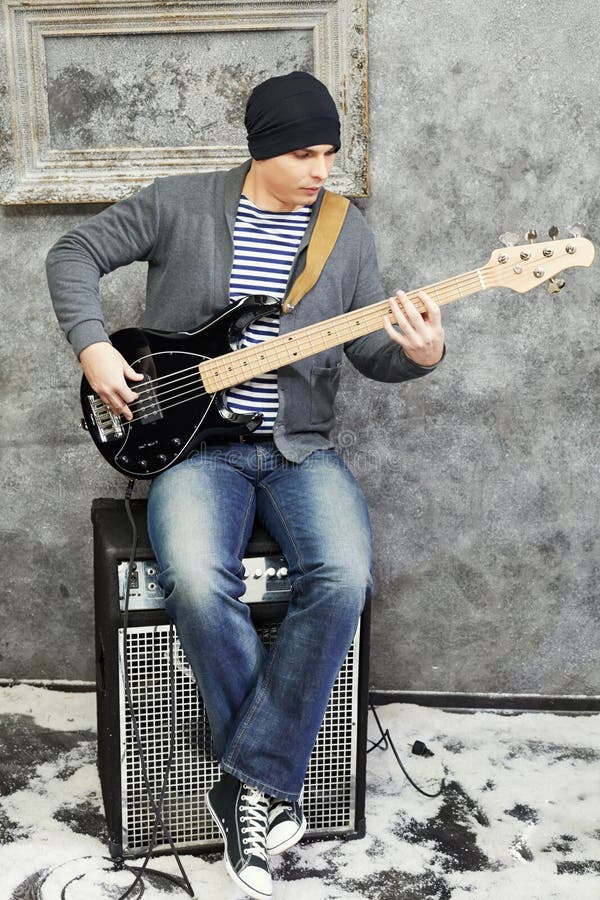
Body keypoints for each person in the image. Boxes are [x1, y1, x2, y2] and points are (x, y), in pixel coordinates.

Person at [47, 71, 445, 900]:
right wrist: (91, 345)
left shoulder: (345, 231)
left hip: (298, 447)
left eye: (329, 153)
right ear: (261, 146)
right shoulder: (181, 203)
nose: (319, 171)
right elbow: (73, 252)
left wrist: (418, 353)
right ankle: (266, 783)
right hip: (192, 449)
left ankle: (246, 780)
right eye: (304, 152)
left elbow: (368, 351)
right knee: (194, 578)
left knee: (342, 579)